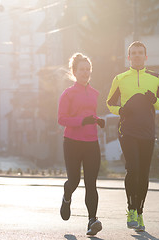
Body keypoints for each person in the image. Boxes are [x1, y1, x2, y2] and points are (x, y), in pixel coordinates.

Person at [106, 41, 159, 232]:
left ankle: (140, 213)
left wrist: (154, 100)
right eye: (133, 53)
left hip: (147, 132)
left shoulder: (156, 77)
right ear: (128, 57)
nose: (136, 56)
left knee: (143, 174)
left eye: (140, 53)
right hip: (127, 131)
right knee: (132, 168)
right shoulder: (120, 78)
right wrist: (121, 111)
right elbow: (109, 103)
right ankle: (131, 209)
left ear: (146, 56)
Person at [58, 53, 105, 236]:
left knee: (91, 183)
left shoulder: (95, 93)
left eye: (88, 69)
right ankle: (67, 194)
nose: (85, 72)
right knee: (75, 180)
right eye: (82, 69)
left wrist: (97, 120)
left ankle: (92, 220)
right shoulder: (68, 94)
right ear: (74, 72)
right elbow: (61, 119)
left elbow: (90, 115)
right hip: (72, 142)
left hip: (91, 142)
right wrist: (82, 121)